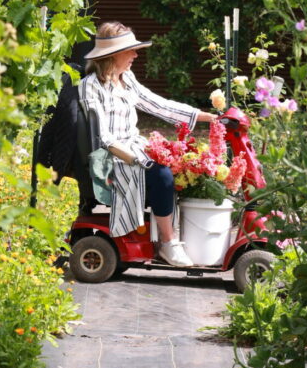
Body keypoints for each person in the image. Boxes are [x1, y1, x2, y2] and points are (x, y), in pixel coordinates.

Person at [78, 22, 215, 268]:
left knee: (180, 167)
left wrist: (206, 116)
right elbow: (101, 136)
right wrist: (136, 158)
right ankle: (167, 242)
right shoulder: (91, 86)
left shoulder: (126, 79)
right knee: (161, 175)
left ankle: (170, 234)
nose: (136, 55)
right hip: (112, 159)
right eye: (130, 50)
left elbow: (158, 104)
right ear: (113, 54)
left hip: (133, 150)